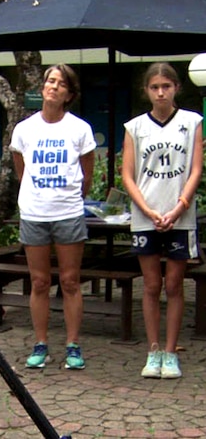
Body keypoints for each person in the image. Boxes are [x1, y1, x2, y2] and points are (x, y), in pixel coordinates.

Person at [10, 63, 96, 370]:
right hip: (34, 214)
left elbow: (88, 171)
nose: (53, 86)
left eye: (60, 83)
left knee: (71, 281)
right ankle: (41, 343)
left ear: (69, 94)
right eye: (50, 80)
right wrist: (35, 193)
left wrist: (72, 196)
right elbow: (21, 168)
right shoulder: (25, 129)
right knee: (40, 281)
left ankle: (73, 345)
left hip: (69, 213)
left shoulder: (79, 129)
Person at [121, 62, 203, 379]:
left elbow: (195, 168)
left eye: (165, 87)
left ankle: (171, 352)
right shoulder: (134, 127)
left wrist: (180, 206)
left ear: (176, 88)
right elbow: (128, 176)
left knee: (174, 285)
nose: (160, 92)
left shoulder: (192, 122)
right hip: (147, 216)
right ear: (146, 91)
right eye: (154, 87)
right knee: (152, 285)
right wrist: (148, 210)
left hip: (179, 216)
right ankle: (153, 350)